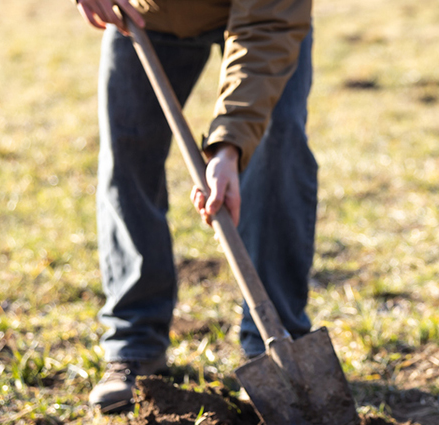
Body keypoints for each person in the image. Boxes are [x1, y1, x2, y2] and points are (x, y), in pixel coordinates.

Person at [73, 0, 317, 413]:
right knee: (128, 154)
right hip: (146, 11)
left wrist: (229, 147)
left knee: (278, 149)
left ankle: (274, 345)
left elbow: (270, 21)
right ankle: (135, 346)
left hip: (264, 18)